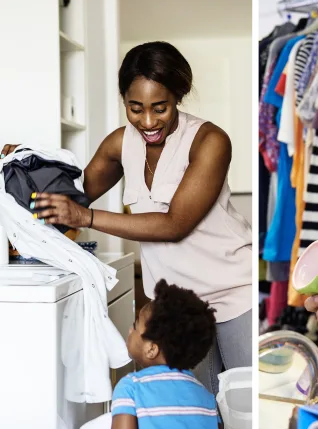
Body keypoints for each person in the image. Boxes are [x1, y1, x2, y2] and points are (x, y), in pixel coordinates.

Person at [29, 41, 252, 395]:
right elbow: (72, 194)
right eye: (135, 109)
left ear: (179, 95)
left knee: (246, 413)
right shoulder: (120, 144)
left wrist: (86, 217)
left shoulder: (209, 141)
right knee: (196, 412)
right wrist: (22, 163)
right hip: (178, 308)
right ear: (124, 101)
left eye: (159, 108)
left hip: (235, 294)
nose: (147, 122)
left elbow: (175, 225)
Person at [108, 280, 223, 429]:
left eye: (135, 326)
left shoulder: (131, 386)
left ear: (151, 349)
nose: (130, 331)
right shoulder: (207, 396)